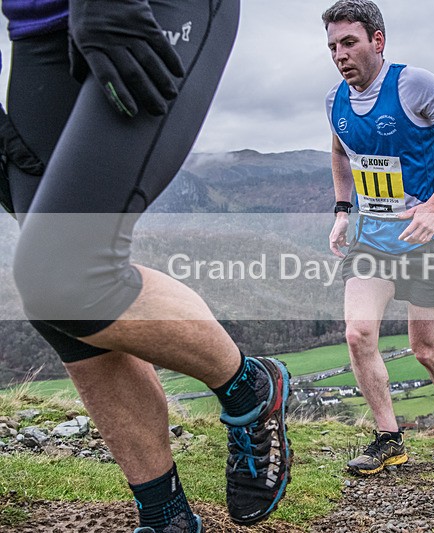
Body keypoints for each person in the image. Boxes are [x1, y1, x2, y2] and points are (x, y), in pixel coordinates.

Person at [1, 0, 290, 530]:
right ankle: (165, 516)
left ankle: (250, 388)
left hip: (139, 7)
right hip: (35, 32)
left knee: (63, 272)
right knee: (61, 309)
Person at [322, 0, 434, 475]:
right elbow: (339, 149)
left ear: (377, 40)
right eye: (332, 46)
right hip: (371, 240)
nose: (339, 54)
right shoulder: (335, 99)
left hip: (424, 241)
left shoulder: (414, 84)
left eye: (348, 42)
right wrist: (341, 211)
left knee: (426, 350)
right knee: (358, 333)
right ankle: (389, 438)